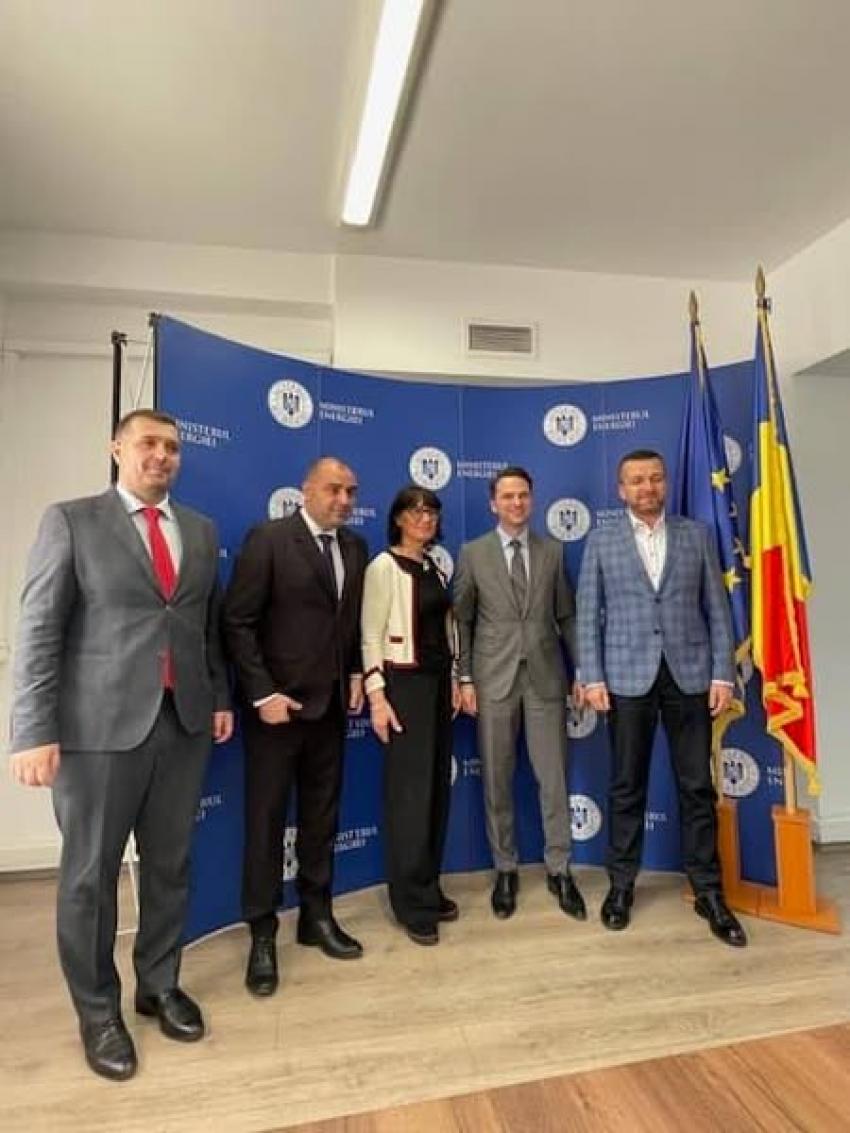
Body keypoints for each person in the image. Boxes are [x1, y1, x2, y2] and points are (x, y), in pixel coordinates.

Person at [8, 409, 233, 1082]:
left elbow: (205, 628)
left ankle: (158, 985)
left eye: (172, 447)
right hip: (97, 733)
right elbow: (39, 629)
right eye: (148, 443)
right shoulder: (72, 521)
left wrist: (219, 698)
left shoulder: (200, 530)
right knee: (90, 877)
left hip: (182, 724)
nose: (162, 455)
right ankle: (98, 1010)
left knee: (169, 866)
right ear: (117, 449)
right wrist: (32, 731)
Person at [575, 448, 747, 947]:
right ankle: (621, 886)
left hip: (690, 676)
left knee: (697, 787)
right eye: (636, 481)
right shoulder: (601, 540)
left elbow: (717, 609)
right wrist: (592, 676)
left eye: (654, 478)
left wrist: (722, 674)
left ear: (665, 483)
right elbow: (587, 613)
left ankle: (709, 892)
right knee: (626, 786)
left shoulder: (698, 535)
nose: (646, 488)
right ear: (621, 489)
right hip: (626, 678)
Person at [223, 456, 368, 997]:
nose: (343, 500)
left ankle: (316, 916)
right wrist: (262, 693)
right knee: (265, 824)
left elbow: (348, 624)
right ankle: (262, 934)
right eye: (334, 489)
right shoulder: (269, 540)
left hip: (331, 708)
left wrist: (355, 673)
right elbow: (238, 622)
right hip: (276, 712)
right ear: (306, 490)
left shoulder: (354, 547)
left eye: (351, 491)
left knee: (321, 819)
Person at [453, 466, 585, 921]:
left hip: (546, 678)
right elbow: (462, 621)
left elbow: (566, 616)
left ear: (532, 499)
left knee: (554, 778)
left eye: (523, 495)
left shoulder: (553, 551)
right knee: (496, 778)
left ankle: (559, 869)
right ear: (494, 503)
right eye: (507, 496)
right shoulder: (472, 554)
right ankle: (505, 869)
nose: (516, 503)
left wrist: (581, 669)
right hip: (493, 679)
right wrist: (464, 678)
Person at [361, 486, 461, 946]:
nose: (426, 518)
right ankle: (410, 903)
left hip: (437, 686)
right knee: (410, 798)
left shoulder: (434, 565)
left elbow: (446, 629)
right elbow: (370, 636)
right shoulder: (383, 567)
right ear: (399, 518)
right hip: (404, 688)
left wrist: (455, 679)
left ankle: (428, 886)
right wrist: (377, 697)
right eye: (417, 511)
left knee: (435, 793)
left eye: (432, 512)